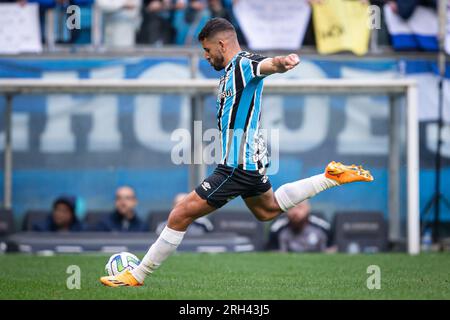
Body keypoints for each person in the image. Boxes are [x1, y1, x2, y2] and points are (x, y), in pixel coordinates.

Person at [100, 17, 373, 287]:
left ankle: (136, 275)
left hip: (237, 166)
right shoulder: (230, 73)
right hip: (247, 161)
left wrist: (283, 62)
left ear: (221, 44)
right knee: (267, 211)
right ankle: (331, 176)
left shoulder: (244, 64)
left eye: (207, 51)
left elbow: (268, 64)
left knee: (179, 214)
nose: (206, 57)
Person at [265, 200, 329, 253]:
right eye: (291, 208)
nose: (295, 212)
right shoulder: (277, 228)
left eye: (300, 207)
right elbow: (271, 252)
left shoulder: (322, 226)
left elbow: (332, 249)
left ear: (308, 208)